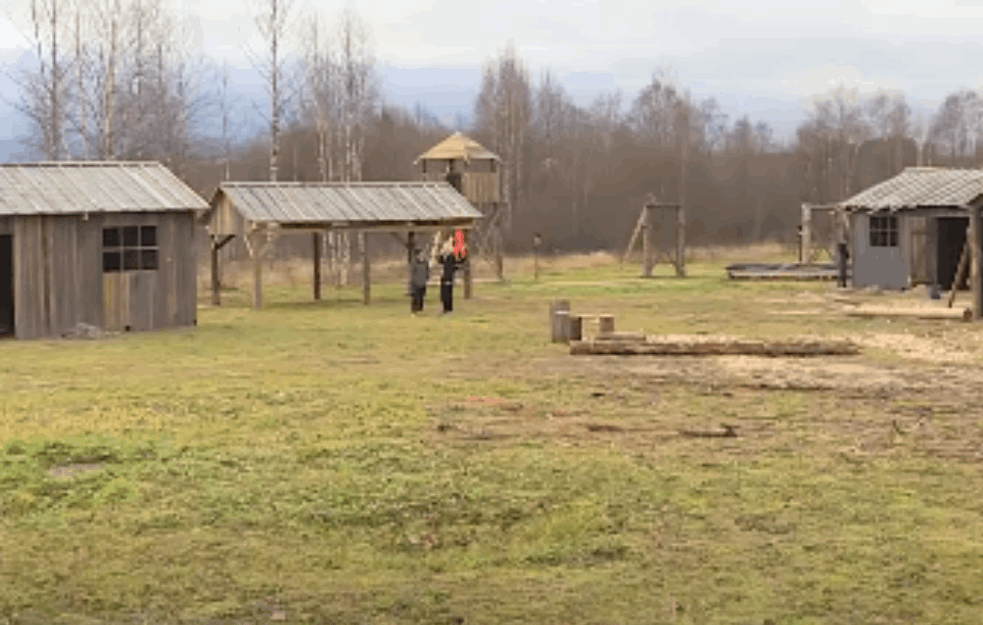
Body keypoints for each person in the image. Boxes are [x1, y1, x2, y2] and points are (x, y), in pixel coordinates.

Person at [438, 235, 467, 314]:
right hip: (444, 278)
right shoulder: (443, 257)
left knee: (449, 294)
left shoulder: (451, 257)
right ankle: (445, 308)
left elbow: (456, 265)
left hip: (449, 277)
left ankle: (449, 308)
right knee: (444, 294)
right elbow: (439, 261)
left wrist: (463, 259)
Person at [409, 249, 430, 314]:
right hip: (416, 283)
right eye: (421, 254)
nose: (422, 255)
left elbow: (427, 271)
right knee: (415, 297)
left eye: (422, 254)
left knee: (421, 296)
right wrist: (414, 281)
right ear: (417, 255)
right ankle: (414, 310)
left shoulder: (425, 262)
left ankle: (420, 309)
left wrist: (426, 278)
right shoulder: (414, 262)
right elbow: (413, 273)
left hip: (423, 282)